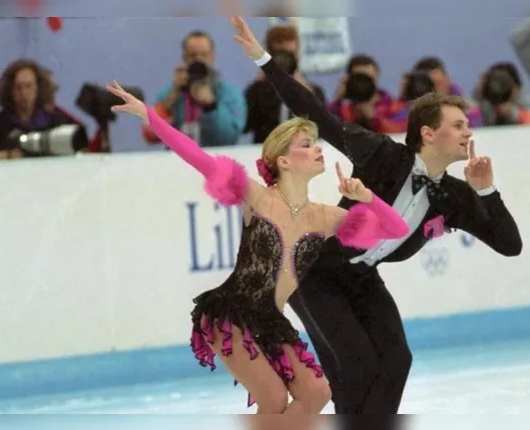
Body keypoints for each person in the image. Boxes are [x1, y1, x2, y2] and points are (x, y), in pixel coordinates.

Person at [229, 17, 523, 416]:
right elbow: (317, 113)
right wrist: (265, 61)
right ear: (428, 134)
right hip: (315, 271)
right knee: (357, 366)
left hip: (362, 276)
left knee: (396, 361)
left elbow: (510, 245)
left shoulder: (451, 195)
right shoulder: (382, 154)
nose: (469, 133)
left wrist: (487, 190)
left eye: (467, 125)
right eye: (458, 125)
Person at [103, 80, 409, 415]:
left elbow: (398, 229)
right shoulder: (258, 197)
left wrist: (367, 198)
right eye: (306, 145)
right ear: (284, 162)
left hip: (270, 320)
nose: (318, 149)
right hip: (228, 314)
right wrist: (149, 115)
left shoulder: (325, 217)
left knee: (317, 392)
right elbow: (195, 155)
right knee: (275, 399)